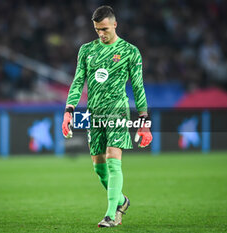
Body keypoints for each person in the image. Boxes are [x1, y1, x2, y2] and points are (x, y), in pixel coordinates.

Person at [62, 5, 153, 228]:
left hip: (118, 112)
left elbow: (138, 88)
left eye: (104, 29)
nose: (101, 34)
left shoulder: (130, 51)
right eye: (97, 30)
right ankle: (122, 201)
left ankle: (111, 215)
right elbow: (77, 82)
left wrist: (144, 123)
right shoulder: (86, 50)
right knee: (99, 168)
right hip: (95, 114)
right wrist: (68, 111)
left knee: (113, 162)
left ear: (114, 24)